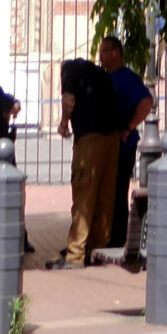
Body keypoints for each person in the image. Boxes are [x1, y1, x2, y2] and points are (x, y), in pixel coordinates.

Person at [53, 52, 126, 266]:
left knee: (84, 195)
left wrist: (64, 123)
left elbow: (68, 100)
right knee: (105, 196)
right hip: (112, 138)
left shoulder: (69, 72)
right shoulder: (100, 74)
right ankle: (97, 250)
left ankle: (75, 255)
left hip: (90, 140)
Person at [95, 34, 156, 239]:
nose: (100, 56)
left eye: (104, 51)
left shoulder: (128, 78)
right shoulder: (101, 77)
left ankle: (118, 236)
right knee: (103, 192)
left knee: (117, 193)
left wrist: (129, 126)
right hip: (103, 145)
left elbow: (146, 102)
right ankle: (102, 234)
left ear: (115, 53)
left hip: (122, 147)